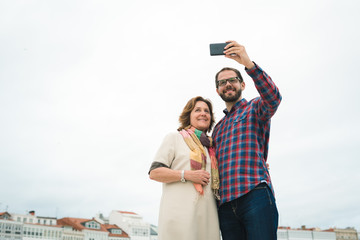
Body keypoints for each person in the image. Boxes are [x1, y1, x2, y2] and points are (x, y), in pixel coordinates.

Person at [212, 40, 282, 240]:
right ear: (218, 90)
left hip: (255, 195)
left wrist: (248, 63)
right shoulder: (217, 129)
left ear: (242, 84)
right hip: (225, 205)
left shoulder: (256, 108)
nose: (227, 84)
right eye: (222, 82)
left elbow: (273, 98)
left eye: (232, 80)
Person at [148, 96, 221, 240]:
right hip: (179, 217)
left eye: (207, 111)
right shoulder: (175, 138)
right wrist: (186, 175)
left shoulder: (213, 147)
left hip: (207, 219)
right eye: (197, 110)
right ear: (189, 115)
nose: (203, 113)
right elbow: (155, 173)